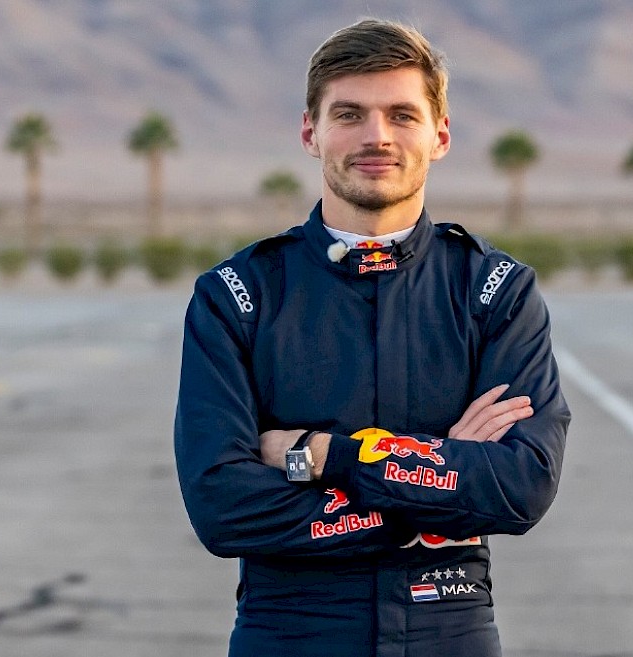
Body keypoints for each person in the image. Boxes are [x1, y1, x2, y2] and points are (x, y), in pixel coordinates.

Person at [174, 18, 571, 657]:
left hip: (450, 628)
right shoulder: (238, 295)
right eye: (349, 114)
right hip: (290, 632)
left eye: (402, 115)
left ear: (440, 136)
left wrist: (326, 456)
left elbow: (519, 487)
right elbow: (221, 507)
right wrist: (434, 490)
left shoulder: (494, 290)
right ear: (311, 131)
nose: (377, 136)